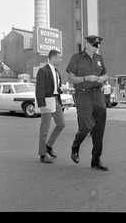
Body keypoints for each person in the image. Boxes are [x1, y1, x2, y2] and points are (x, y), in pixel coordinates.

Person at [66, 35, 109, 171]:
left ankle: (96, 160)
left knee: (99, 128)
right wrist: (86, 78)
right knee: (86, 126)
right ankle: (76, 145)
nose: (96, 48)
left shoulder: (99, 59)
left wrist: (103, 78)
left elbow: (105, 74)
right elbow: (71, 78)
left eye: (97, 46)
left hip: (97, 94)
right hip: (83, 94)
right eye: (93, 45)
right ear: (87, 44)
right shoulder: (76, 58)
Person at [36, 50, 66, 164]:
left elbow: (55, 87)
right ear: (53, 58)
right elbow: (39, 89)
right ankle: (42, 154)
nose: (61, 59)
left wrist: (61, 89)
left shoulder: (56, 71)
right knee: (45, 128)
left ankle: (48, 146)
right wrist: (42, 106)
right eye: (59, 57)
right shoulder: (43, 71)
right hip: (47, 101)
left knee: (61, 124)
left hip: (56, 100)